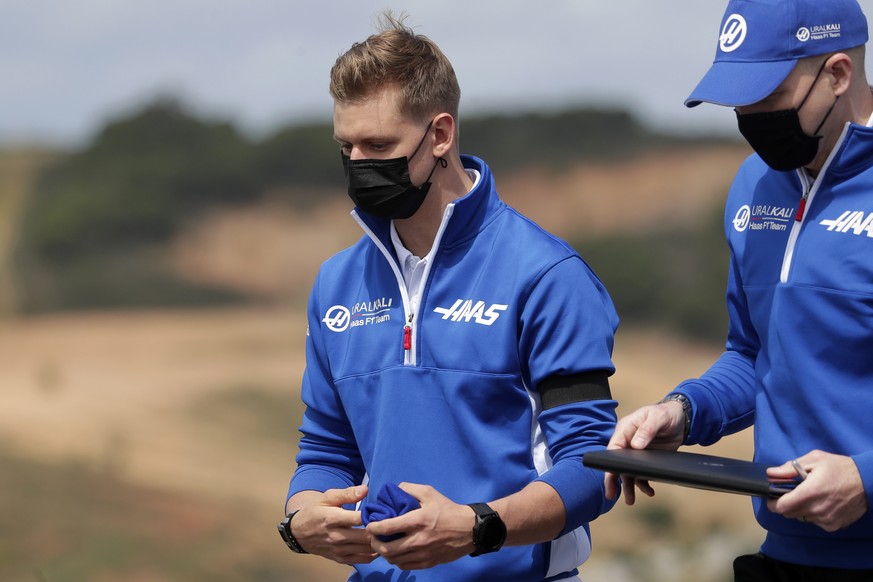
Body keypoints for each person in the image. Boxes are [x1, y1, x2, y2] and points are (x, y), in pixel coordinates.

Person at [277, 11, 620, 582]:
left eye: (379, 144)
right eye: (347, 147)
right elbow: (326, 452)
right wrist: (300, 519)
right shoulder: (335, 283)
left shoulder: (546, 273)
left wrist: (478, 526)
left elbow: (592, 466)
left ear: (440, 134)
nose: (360, 165)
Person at [606, 0, 873, 579]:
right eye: (740, 100)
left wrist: (867, 480)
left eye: (769, 97)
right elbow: (754, 355)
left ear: (837, 74)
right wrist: (682, 411)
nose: (752, 117)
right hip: (784, 554)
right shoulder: (754, 186)